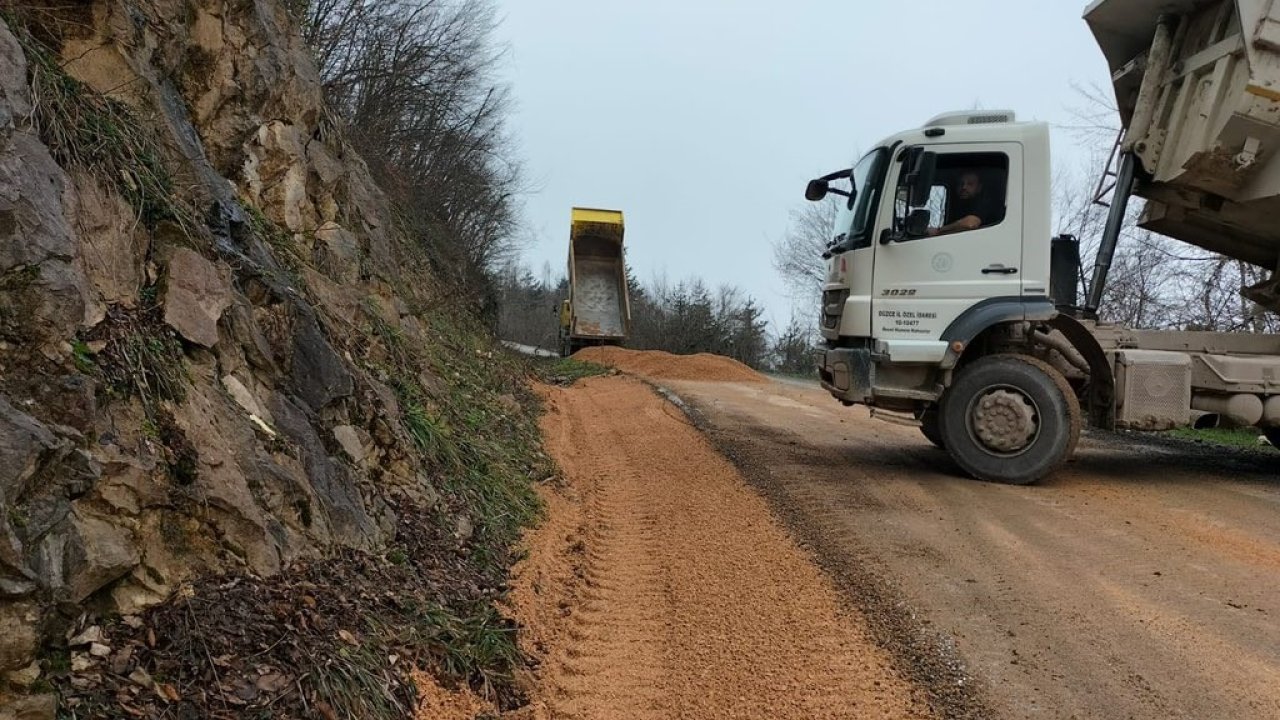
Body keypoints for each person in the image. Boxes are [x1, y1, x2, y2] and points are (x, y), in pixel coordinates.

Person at [927, 170, 1001, 236]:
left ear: (979, 188)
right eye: (961, 184)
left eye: (970, 184)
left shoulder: (984, 203)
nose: (964, 187)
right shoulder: (952, 203)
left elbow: (970, 224)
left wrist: (938, 230)